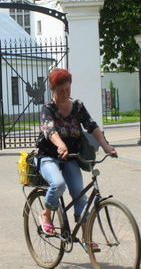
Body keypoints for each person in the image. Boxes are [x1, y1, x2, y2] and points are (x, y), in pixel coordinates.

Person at [36, 68, 117, 250]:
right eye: (61, 90)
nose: (65, 93)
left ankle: (86, 237)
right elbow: (49, 130)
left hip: (71, 157)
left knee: (80, 196)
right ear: (52, 89)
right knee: (58, 184)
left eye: (68, 89)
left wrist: (105, 145)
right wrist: (60, 144)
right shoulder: (48, 109)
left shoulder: (78, 106)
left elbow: (91, 125)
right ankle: (46, 214)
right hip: (48, 156)